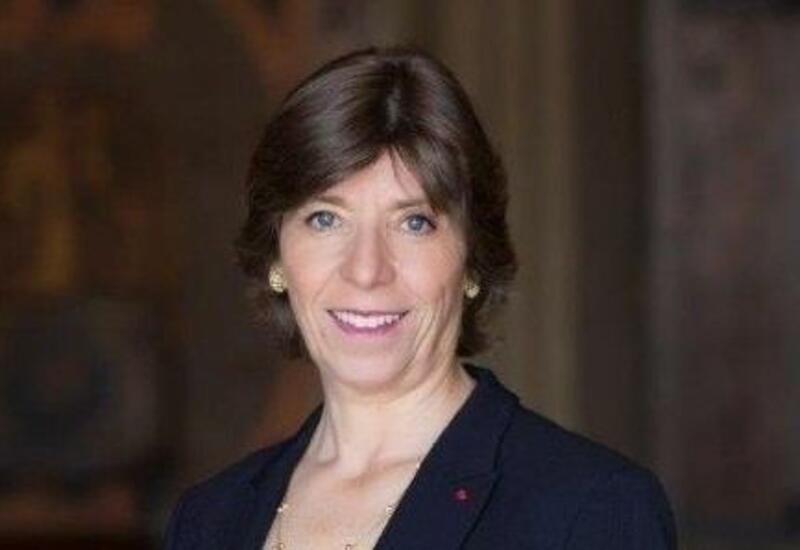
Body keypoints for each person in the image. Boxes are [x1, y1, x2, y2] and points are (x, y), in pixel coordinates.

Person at [164, 46, 677, 549]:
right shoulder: (210, 520)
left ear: (472, 259)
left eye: (414, 223)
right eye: (325, 219)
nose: (367, 270)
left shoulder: (593, 509)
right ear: (277, 257)